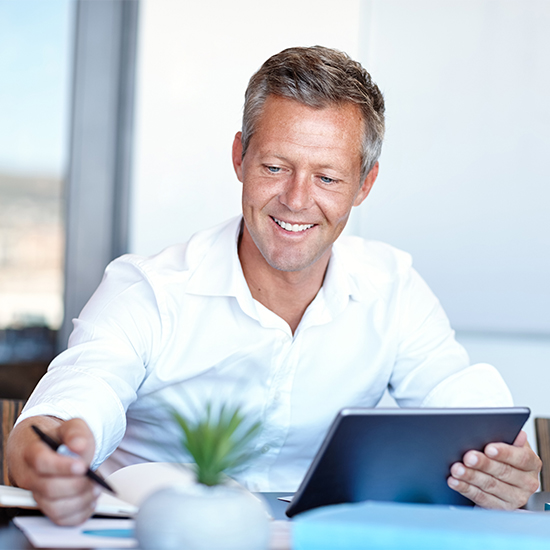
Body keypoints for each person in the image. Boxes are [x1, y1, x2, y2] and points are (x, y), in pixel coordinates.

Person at [7, 46, 540, 526]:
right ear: (240, 157)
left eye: (328, 177)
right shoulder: (146, 289)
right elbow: (69, 405)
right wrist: (48, 458)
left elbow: (464, 403)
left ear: (365, 184)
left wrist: (507, 466)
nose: (296, 199)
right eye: (275, 166)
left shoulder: (392, 287)